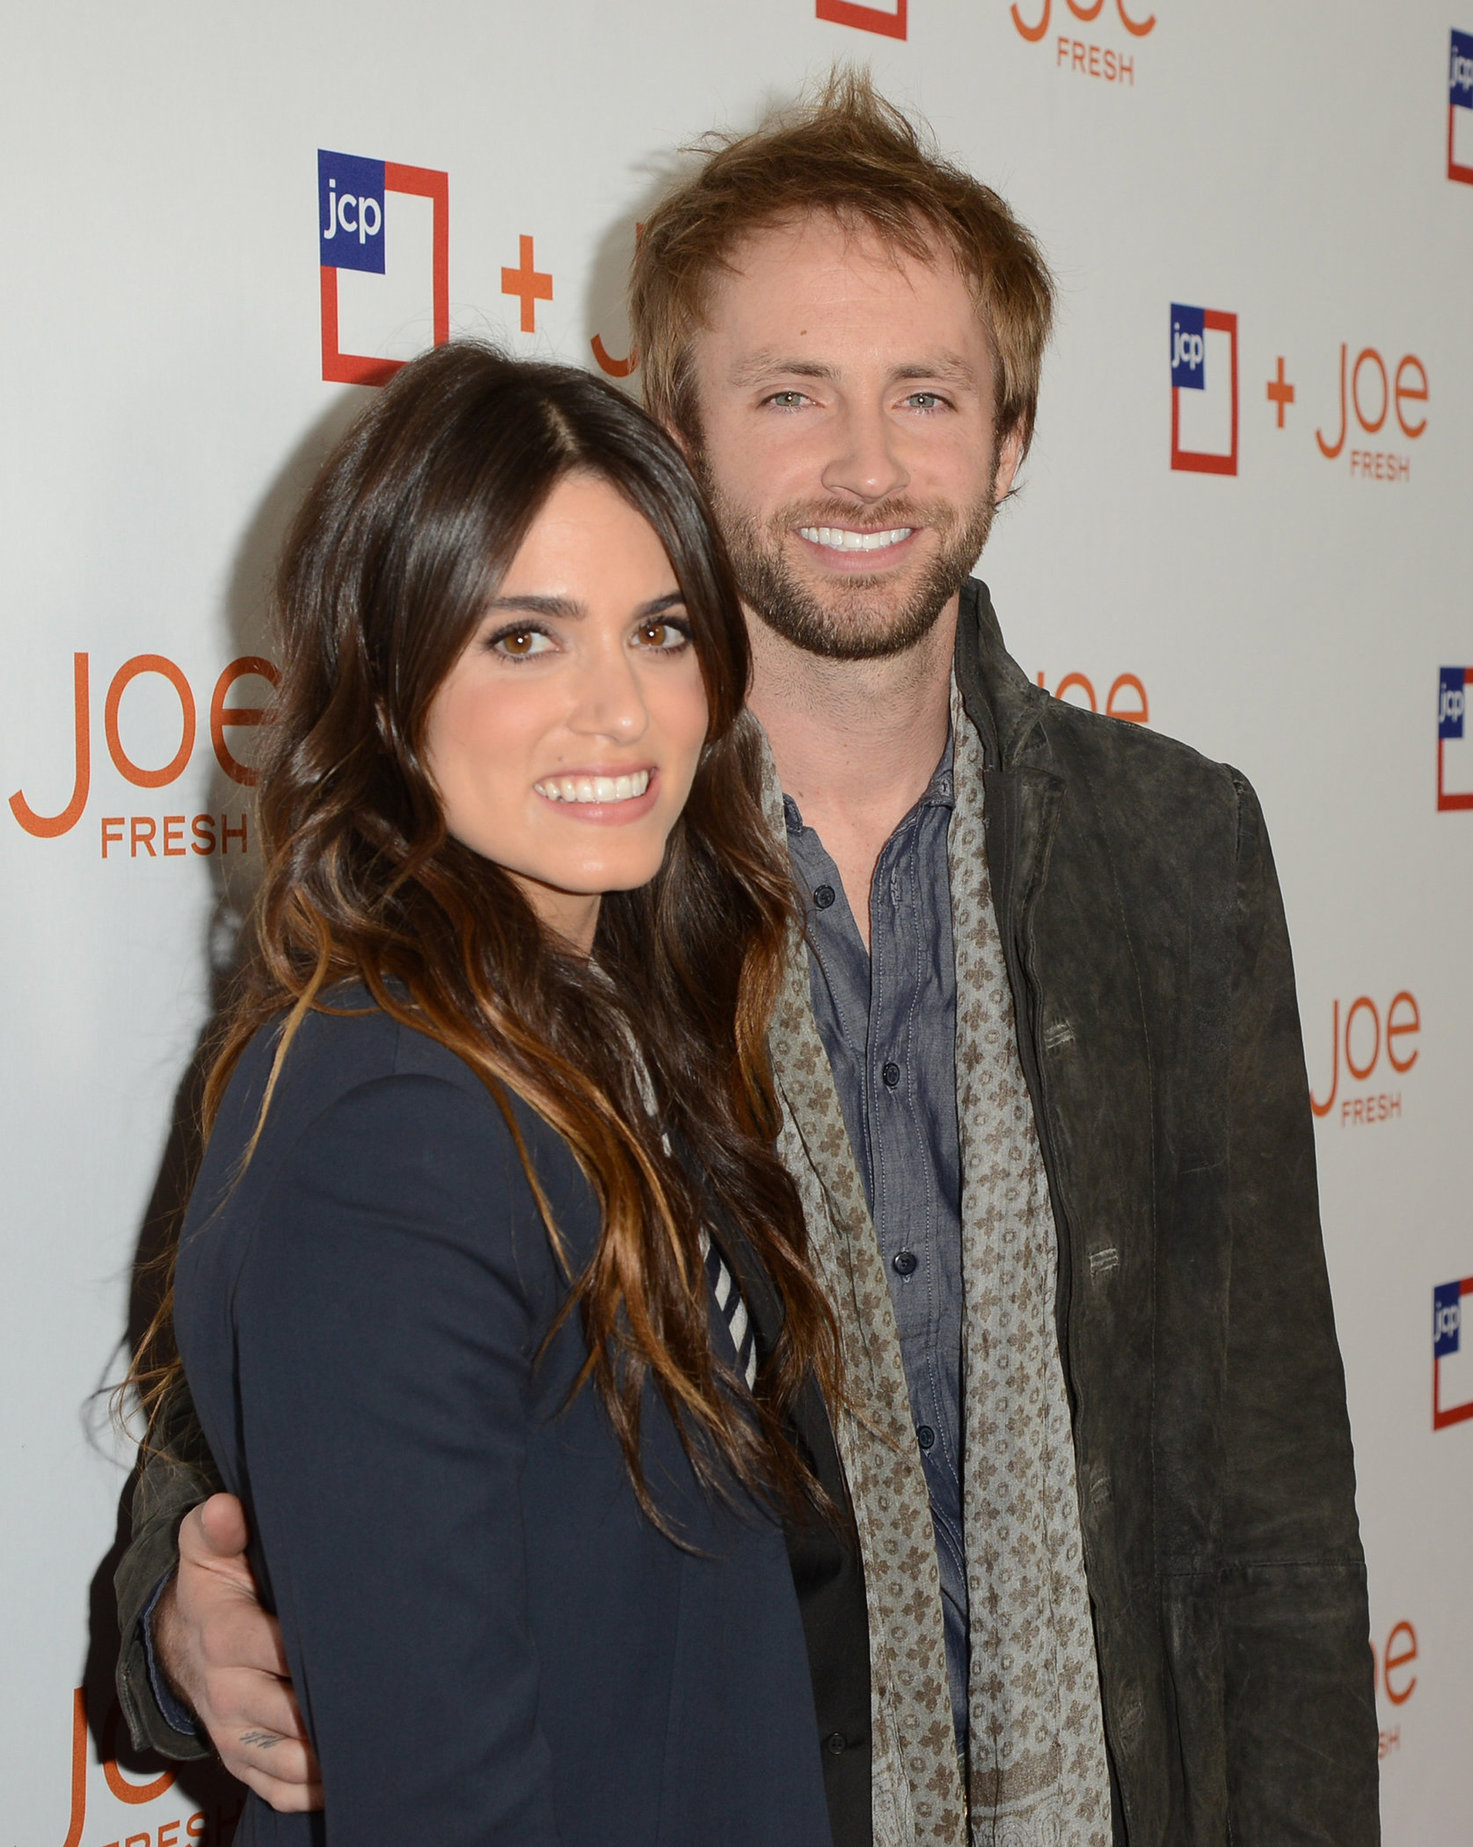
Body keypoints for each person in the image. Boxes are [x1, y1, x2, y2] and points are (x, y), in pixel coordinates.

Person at [117, 74, 1380, 1846]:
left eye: (924, 395)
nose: (864, 466)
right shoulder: (549, 869)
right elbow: (277, 1402)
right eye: (789, 394)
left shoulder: (1177, 853)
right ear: (674, 428)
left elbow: (1274, 1507)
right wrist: (180, 1615)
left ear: (1009, 436)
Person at [121, 342, 872, 1847]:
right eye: (524, 639)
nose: (620, 712)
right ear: (390, 684)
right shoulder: (390, 1130)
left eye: (659, 631)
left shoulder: (614, 1031)